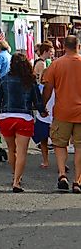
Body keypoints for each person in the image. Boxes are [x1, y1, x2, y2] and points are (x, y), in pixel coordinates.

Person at [0, 52, 47, 192]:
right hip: (24, 118)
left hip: (7, 117)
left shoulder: (4, 79)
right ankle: (17, 181)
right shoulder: (30, 80)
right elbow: (37, 100)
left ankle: (14, 174)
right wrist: (42, 111)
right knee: (22, 151)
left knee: (11, 149)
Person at [41, 34, 81, 193]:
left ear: (64, 46)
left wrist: (42, 106)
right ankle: (77, 180)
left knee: (59, 144)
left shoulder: (56, 65)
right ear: (78, 46)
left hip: (62, 112)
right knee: (80, 147)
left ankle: (62, 174)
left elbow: (48, 90)